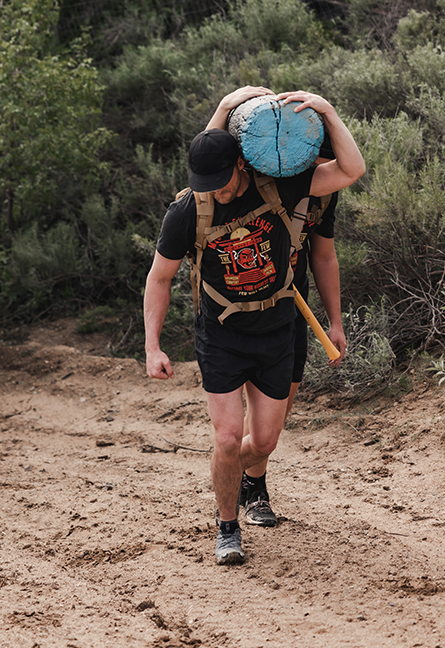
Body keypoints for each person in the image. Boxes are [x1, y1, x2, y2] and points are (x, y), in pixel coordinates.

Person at [144, 87, 365, 566]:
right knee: (227, 437)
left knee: (263, 442)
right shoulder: (189, 209)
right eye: (206, 182)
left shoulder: (281, 187)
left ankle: (229, 475)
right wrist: (152, 345)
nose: (214, 190)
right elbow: (159, 278)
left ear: (243, 165)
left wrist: (326, 110)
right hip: (221, 332)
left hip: (276, 327)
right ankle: (228, 528)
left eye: (221, 181)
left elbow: (351, 170)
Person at [238, 150, 347, 528]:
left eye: (324, 163)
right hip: (246, 306)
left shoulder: (327, 191)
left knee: (281, 405)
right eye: (312, 163)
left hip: (290, 307)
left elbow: (324, 255)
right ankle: (253, 488)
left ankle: (237, 467)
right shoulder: (265, 183)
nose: (319, 171)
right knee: (260, 400)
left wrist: (335, 321)